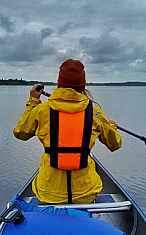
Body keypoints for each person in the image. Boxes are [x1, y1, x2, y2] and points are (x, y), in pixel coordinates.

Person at [14, 59, 122, 204]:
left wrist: (33, 101)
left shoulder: (41, 110)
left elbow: (21, 133)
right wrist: (112, 127)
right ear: (82, 85)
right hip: (86, 193)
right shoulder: (94, 112)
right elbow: (115, 144)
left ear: (59, 84)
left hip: (49, 194)